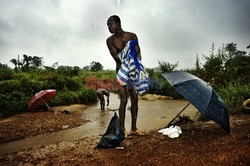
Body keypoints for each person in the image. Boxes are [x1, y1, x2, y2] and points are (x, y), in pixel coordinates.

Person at [106, 15, 146, 137]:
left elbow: (138, 54)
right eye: (108, 26)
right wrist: (129, 60)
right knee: (123, 99)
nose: (109, 27)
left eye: (111, 24)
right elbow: (116, 57)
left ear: (118, 23)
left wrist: (135, 64)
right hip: (121, 72)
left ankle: (134, 128)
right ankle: (123, 130)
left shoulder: (132, 36)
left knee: (135, 99)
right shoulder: (110, 41)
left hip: (133, 72)